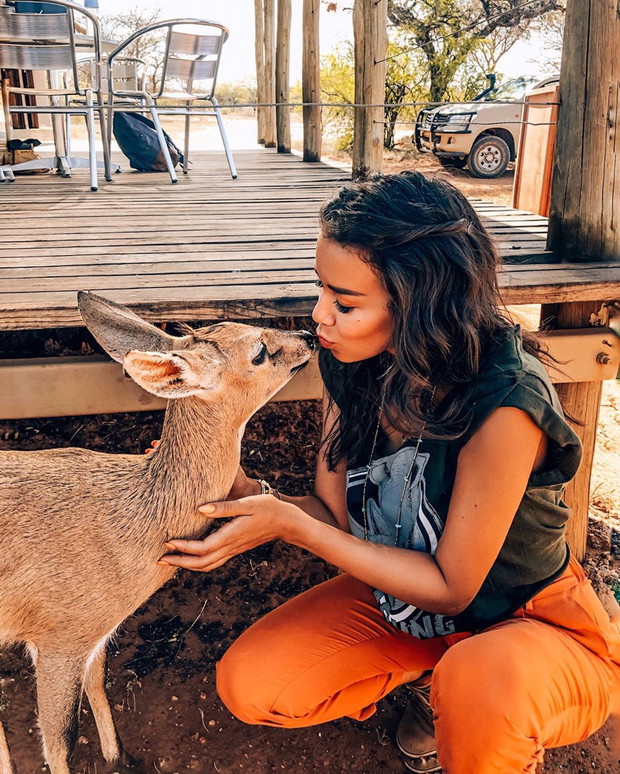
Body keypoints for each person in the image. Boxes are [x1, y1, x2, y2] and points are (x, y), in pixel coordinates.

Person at [158, 171, 620, 773]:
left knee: (481, 682)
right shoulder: (350, 364)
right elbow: (332, 512)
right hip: (410, 605)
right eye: (322, 289)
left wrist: (289, 529)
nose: (319, 316)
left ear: (422, 303)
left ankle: (479, 705)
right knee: (251, 682)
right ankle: (441, 680)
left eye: (345, 303)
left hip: (526, 621)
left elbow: (453, 585)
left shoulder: (506, 402)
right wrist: (248, 502)